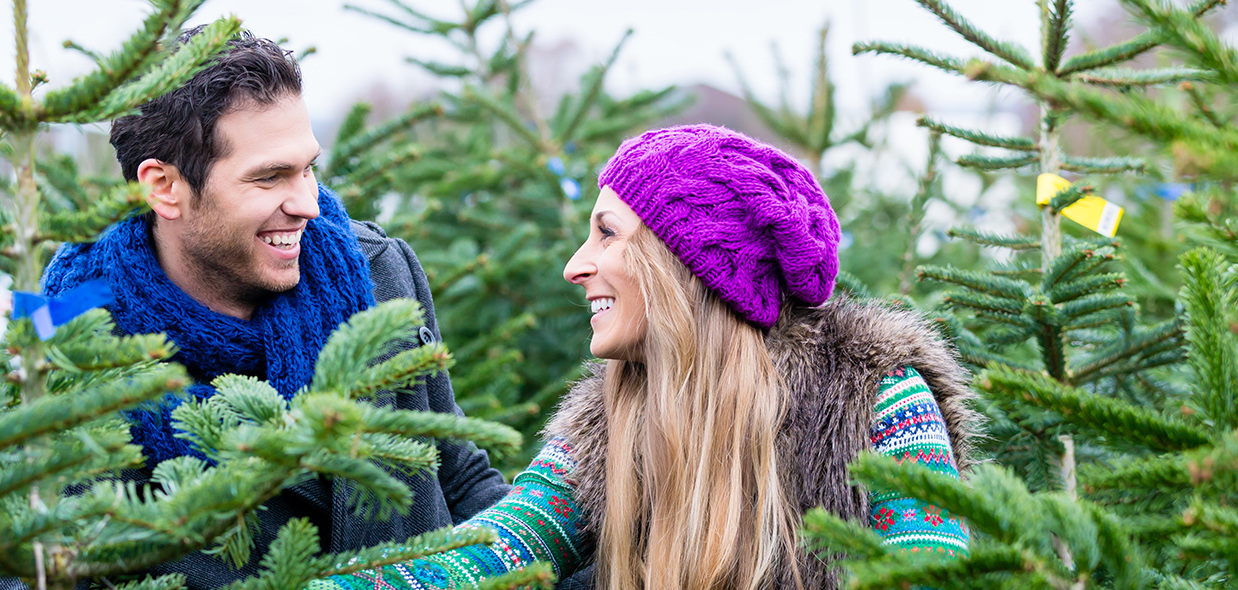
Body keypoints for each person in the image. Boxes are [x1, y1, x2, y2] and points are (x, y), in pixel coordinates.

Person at [313, 124, 979, 590]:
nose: (577, 266)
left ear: (688, 266)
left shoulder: (873, 398)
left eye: (607, 234)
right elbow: (488, 556)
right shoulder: (604, 423)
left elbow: (931, 577)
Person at [39, 29, 510, 588]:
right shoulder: (68, 344)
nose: (308, 203)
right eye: (269, 177)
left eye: (308, 167)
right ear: (164, 187)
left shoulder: (378, 273)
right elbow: (29, 563)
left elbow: (458, 479)